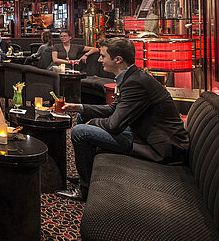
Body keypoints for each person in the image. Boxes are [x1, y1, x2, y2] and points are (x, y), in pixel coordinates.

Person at [56, 37, 189, 201]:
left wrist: (94, 123)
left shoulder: (135, 82)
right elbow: (113, 109)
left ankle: (84, 189)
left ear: (118, 59)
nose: (99, 60)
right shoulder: (131, 76)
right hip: (142, 132)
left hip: (158, 146)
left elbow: (114, 125)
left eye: (103, 56)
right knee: (83, 115)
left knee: (79, 131)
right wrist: (79, 107)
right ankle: (87, 173)